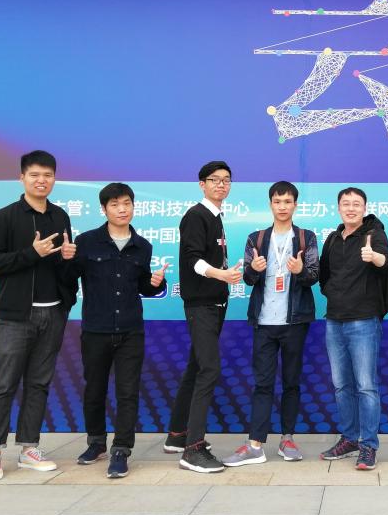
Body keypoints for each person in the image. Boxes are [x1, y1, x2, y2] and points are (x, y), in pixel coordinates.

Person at [0, 150, 78, 481]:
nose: (41, 181)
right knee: (4, 384)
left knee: (39, 384)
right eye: (35, 175)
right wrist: (31, 253)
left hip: (53, 313)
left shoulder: (60, 217)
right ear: (21, 177)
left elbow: (62, 267)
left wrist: (67, 257)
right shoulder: (3, 217)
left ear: (55, 178)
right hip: (14, 315)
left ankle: (29, 448)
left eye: (47, 175)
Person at [67, 183, 167, 478]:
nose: (122, 209)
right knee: (94, 390)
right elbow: (69, 278)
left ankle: (121, 450)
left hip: (131, 330)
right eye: (114, 204)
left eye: (126, 203)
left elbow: (142, 286)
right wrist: (65, 259)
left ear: (134, 206)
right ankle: (96, 442)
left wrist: (156, 284)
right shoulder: (86, 242)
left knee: (127, 392)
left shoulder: (142, 246)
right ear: (104, 209)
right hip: (96, 329)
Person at [222, 181, 319, 466]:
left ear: (295, 205)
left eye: (287, 201)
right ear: (270, 204)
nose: (282, 207)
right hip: (264, 322)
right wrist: (253, 270)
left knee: (291, 382)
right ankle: (255, 444)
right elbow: (247, 279)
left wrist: (301, 271)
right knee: (262, 384)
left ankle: (287, 438)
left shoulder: (306, 237)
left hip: (295, 322)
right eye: (277, 201)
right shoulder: (257, 238)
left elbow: (314, 275)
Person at [165, 161, 243, 473]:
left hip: (214, 302)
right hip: (201, 304)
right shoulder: (196, 215)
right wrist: (220, 274)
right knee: (209, 369)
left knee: (196, 366)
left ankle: (178, 434)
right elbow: (192, 259)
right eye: (214, 180)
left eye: (226, 180)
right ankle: (193, 449)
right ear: (202, 184)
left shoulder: (215, 216)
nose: (221, 185)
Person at [318, 187, 388, 471]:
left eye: (356, 204)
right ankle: (349, 438)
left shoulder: (375, 234)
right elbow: (324, 276)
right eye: (346, 204)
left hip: (363, 321)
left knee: (366, 386)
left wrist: (374, 257)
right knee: (341, 385)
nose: (351, 208)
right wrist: (335, 294)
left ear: (364, 208)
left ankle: (368, 445)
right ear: (339, 208)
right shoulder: (333, 238)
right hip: (334, 320)